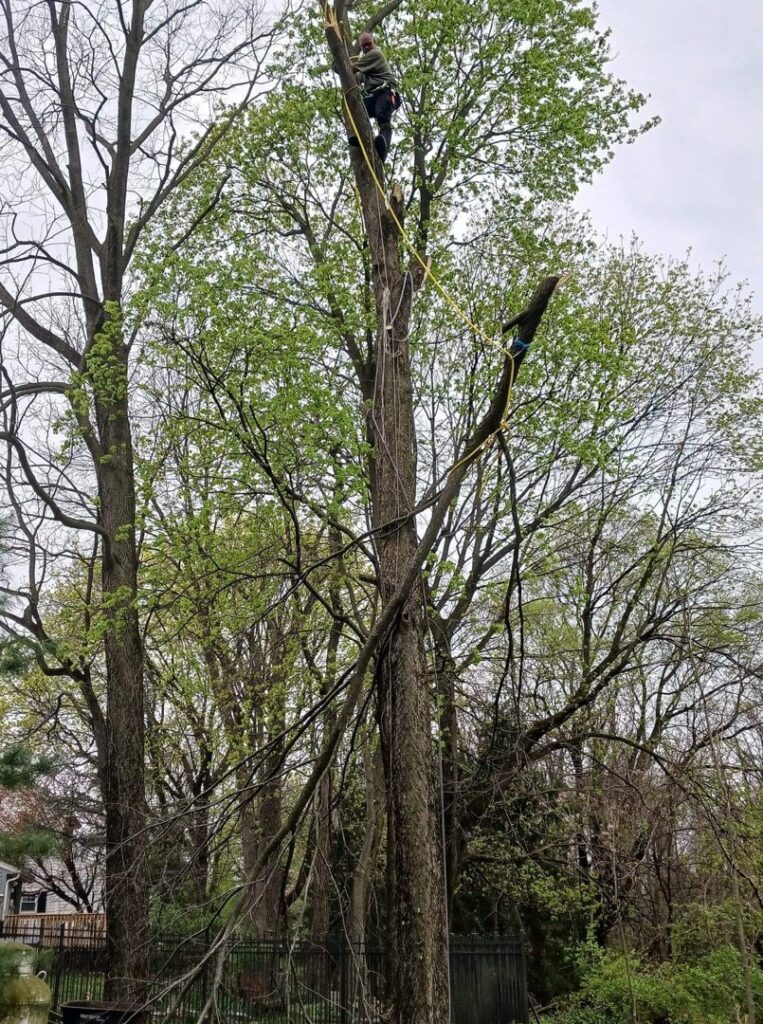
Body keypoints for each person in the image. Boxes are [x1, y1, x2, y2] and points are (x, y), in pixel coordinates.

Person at [349, 32, 400, 162]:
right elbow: (356, 78)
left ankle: (383, 147)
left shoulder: (375, 54)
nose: (366, 48)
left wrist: (339, 64)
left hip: (385, 92)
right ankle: (362, 137)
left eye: (368, 44)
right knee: (359, 110)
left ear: (374, 42)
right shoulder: (366, 65)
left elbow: (351, 69)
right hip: (373, 94)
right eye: (363, 46)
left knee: (381, 114)